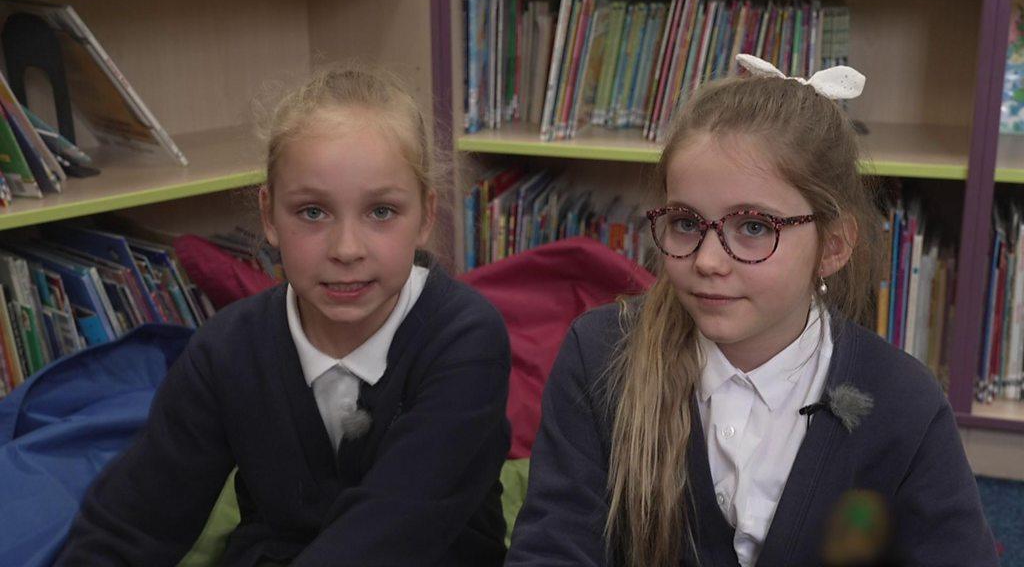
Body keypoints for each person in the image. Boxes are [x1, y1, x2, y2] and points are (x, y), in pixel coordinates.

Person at [506, 55, 998, 567]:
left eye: (755, 227)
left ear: (833, 245)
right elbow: (552, 546)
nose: (707, 261)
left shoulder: (903, 403)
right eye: (685, 223)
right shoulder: (601, 357)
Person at [56, 65, 511, 567]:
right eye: (313, 212)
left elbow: (396, 530)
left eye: (381, 211)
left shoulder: (467, 339)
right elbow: (131, 522)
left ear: (425, 216)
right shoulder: (227, 350)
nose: (346, 249)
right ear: (270, 216)